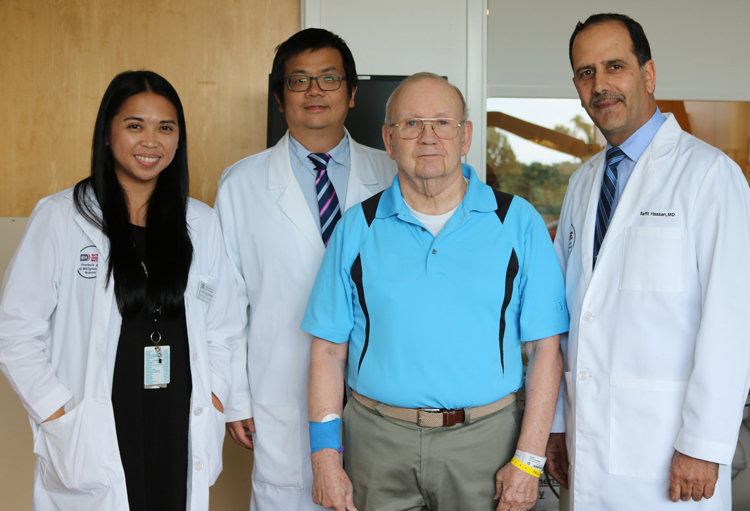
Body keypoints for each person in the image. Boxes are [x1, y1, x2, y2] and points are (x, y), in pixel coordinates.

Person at [302, 72, 570, 511]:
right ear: (389, 140)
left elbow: (546, 350)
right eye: (411, 124)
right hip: (375, 441)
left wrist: (528, 461)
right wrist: (325, 457)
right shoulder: (357, 226)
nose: (428, 137)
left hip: (486, 443)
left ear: (465, 136)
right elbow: (328, 352)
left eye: (442, 123)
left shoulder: (517, 222)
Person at [0, 70, 246, 511]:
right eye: (135, 126)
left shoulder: (200, 223)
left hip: (178, 422)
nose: (151, 141)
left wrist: (214, 395)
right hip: (96, 424)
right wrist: (59, 413)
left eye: (166, 128)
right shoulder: (61, 218)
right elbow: (14, 331)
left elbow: (223, 326)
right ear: (108, 134)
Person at [544, 13, 750, 510]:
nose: (599, 85)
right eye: (585, 72)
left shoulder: (709, 176)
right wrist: (555, 425)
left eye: (614, 66)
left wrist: (703, 444)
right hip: (587, 439)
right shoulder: (583, 182)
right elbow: (565, 315)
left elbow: (733, 321)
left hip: (670, 450)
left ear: (648, 74)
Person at [214, 28, 396, 510]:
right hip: (280, 388)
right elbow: (226, 302)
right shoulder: (241, 183)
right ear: (279, 98)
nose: (315, 91)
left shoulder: (394, 176)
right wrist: (235, 395)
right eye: (299, 81)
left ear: (352, 93)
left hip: (381, 393)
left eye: (329, 79)